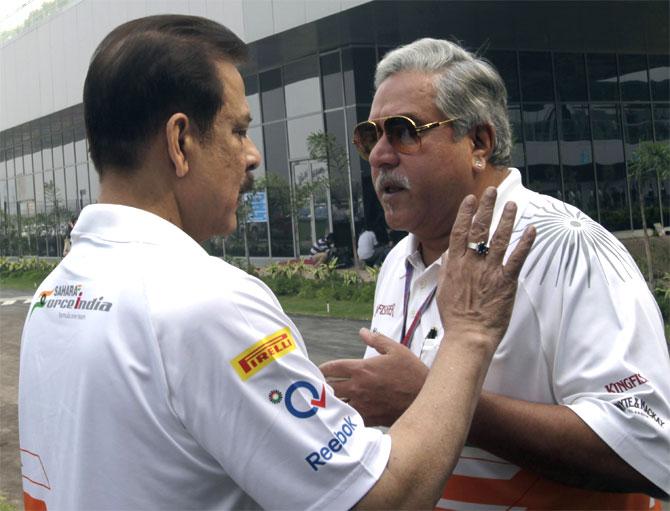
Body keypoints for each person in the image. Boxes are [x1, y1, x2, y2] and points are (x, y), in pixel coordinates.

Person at [17, 17, 535, 511]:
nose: (253, 155)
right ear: (180, 142)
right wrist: (468, 334)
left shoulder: (55, 294)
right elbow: (383, 499)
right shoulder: (206, 301)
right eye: (238, 130)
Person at [320, 38, 670, 509]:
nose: (380, 156)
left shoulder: (564, 245)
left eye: (403, 131)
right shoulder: (401, 261)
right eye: (370, 136)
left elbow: (650, 445)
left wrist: (432, 397)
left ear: (479, 143)